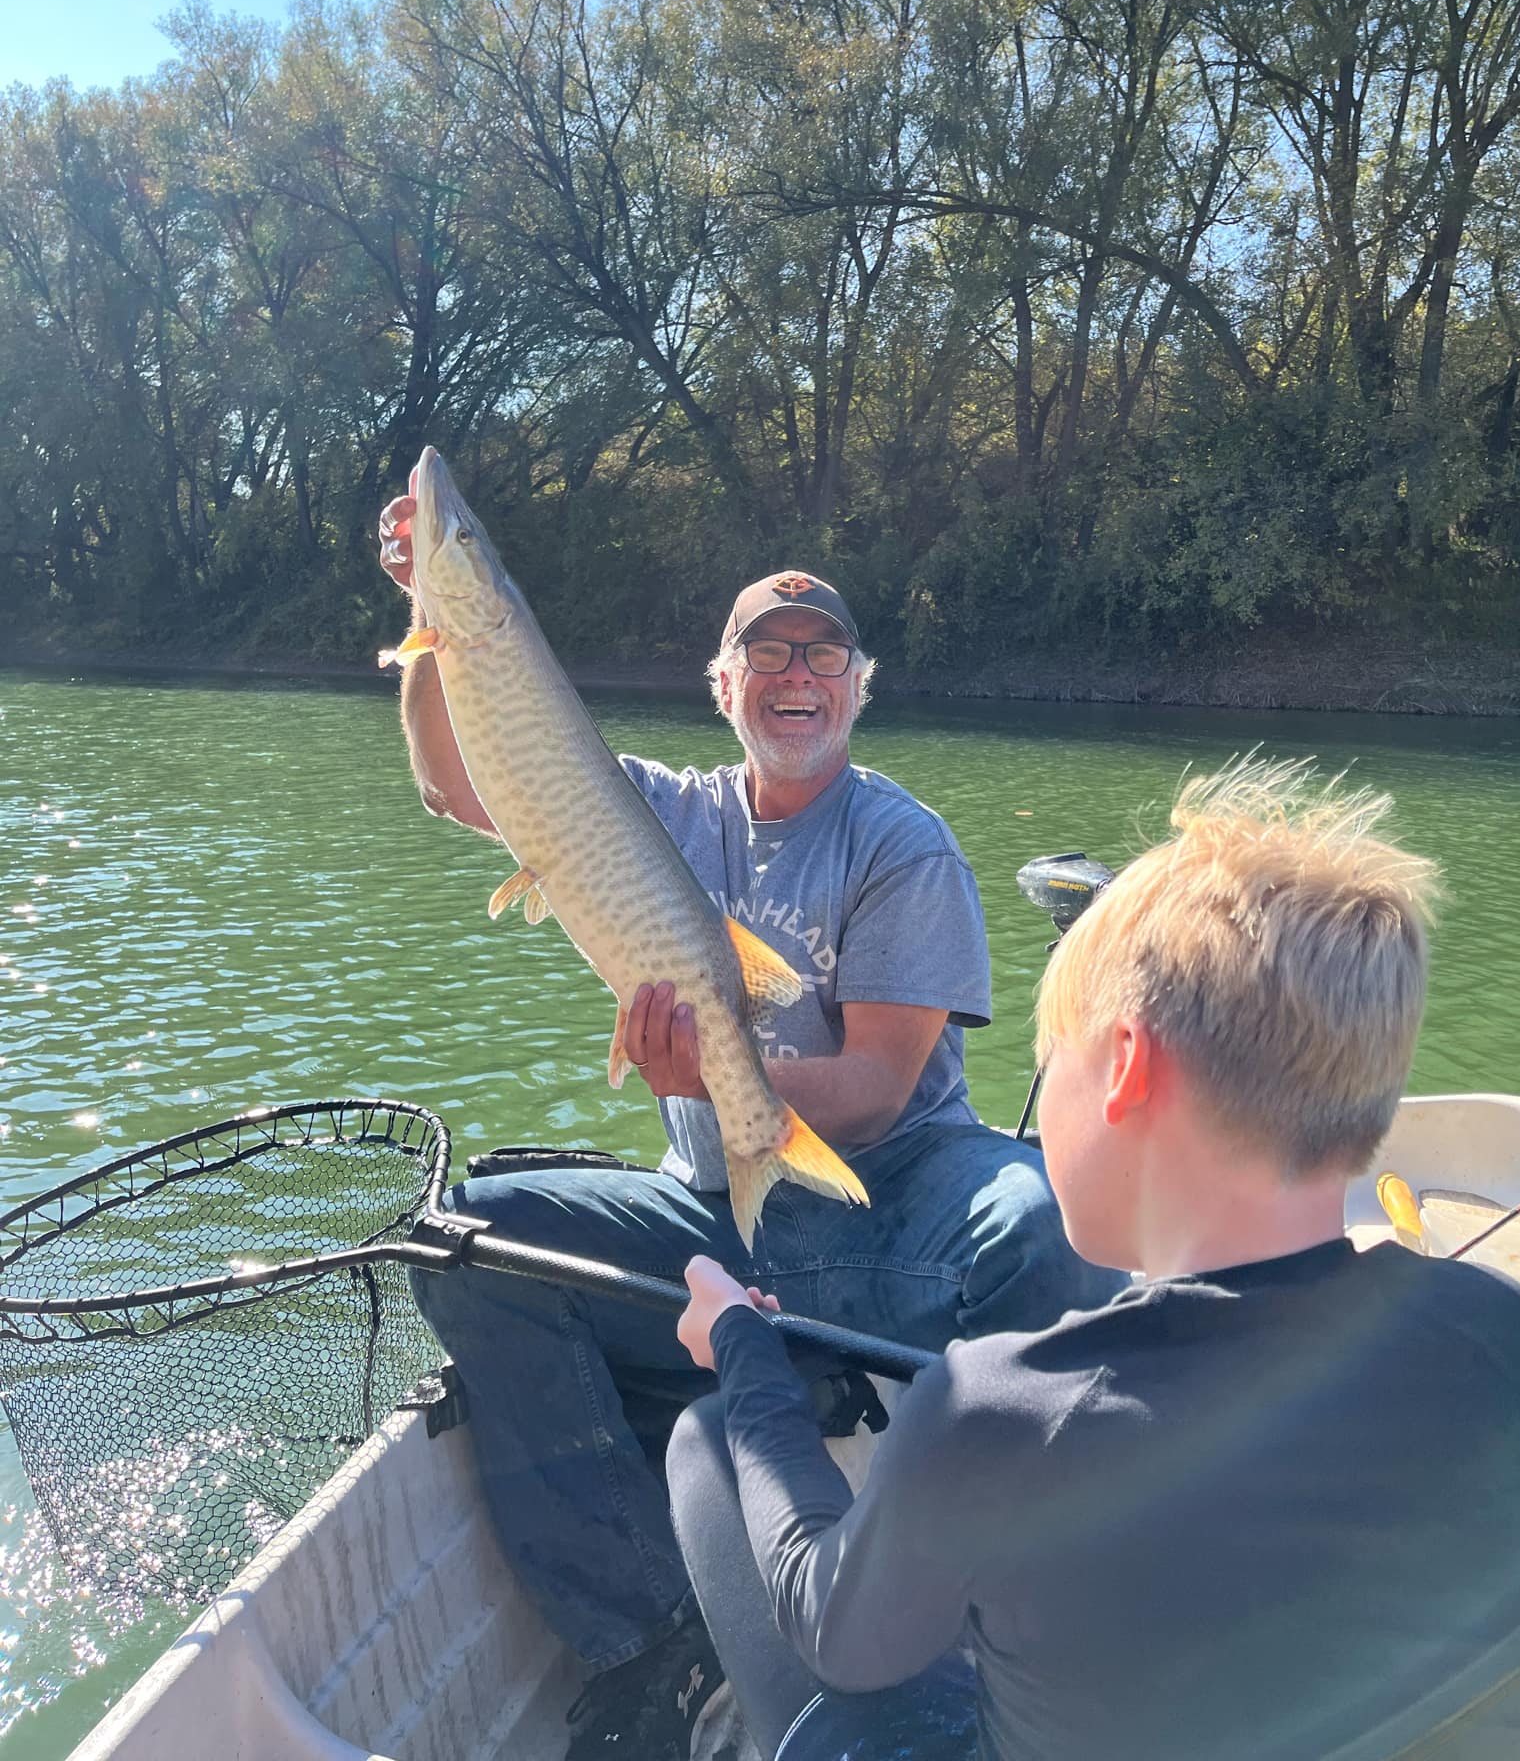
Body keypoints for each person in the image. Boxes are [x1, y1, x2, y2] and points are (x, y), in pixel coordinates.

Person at [376, 482, 1121, 1761]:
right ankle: (652, 1630)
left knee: (1046, 1220)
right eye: (765, 653)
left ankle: (1029, 1612)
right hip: (708, 1210)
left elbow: (884, 1083)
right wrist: (426, 621)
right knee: (471, 1238)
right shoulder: (660, 804)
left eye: (821, 653)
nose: (795, 671)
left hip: (903, 1202)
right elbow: (460, 784)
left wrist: (723, 1081)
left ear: (854, 689)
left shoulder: (904, 842)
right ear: (722, 686)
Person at [668, 757, 1520, 1761]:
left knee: (711, 1439)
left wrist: (741, 1339)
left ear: (1124, 1065)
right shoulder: (1500, 1332)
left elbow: (830, 1624)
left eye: (1054, 1059)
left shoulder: (994, 1414)